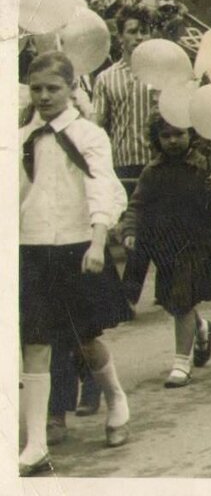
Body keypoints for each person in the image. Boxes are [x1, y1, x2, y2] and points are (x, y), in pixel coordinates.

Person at [19, 52, 134, 476]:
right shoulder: (20, 135)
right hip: (32, 248)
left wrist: (99, 240)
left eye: (53, 88)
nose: (44, 96)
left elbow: (101, 186)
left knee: (85, 339)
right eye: (37, 89)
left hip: (79, 247)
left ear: (71, 89)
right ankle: (34, 445)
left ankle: (117, 399)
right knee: (34, 343)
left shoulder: (88, 134)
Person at [121, 117, 211, 387]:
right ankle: (202, 327)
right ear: (156, 139)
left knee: (182, 300)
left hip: (195, 243)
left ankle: (181, 364)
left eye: (178, 134)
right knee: (174, 302)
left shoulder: (203, 166)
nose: (172, 141)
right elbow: (137, 204)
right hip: (165, 245)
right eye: (165, 135)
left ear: (191, 134)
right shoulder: (153, 171)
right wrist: (129, 231)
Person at [93, 4, 159, 306]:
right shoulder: (106, 79)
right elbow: (98, 127)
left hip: (156, 163)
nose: (139, 37)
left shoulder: (162, 72)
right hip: (124, 166)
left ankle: (127, 295)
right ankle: (130, 294)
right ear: (120, 37)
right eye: (133, 32)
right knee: (137, 230)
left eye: (144, 31)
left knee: (148, 229)